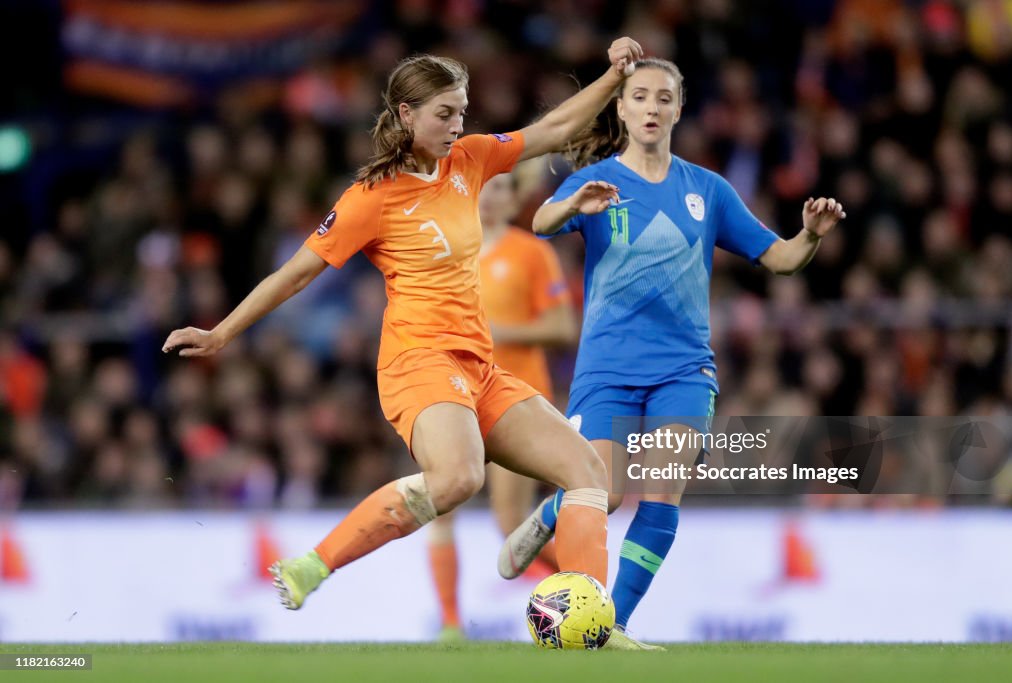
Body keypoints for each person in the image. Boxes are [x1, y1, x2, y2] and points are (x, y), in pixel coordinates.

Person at [163, 38, 654, 649]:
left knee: (589, 475)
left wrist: (613, 77)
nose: (458, 124)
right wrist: (221, 333)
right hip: (417, 360)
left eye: (462, 111)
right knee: (456, 479)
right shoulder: (370, 199)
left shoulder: (470, 160)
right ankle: (314, 563)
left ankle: (595, 627)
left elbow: (554, 128)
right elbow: (295, 273)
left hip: (480, 366)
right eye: (444, 113)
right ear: (405, 115)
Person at [498, 58, 845, 647]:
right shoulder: (599, 180)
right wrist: (573, 205)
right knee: (602, 494)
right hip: (606, 367)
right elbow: (539, 220)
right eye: (640, 97)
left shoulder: (708, 190)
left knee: (660, 494)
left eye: (664, 97)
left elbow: (781, 259)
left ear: (679, 109)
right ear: (622, 109)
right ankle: (554, 511)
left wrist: (809, 234)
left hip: (684, 369)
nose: (653, 107)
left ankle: (615, 624)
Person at [427, 171, 575, 641]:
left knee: (510, 525)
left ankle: (584, 592)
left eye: (500, 189)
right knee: (441, 504)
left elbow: (562, 327)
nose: (488, 197)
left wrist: (496, 334)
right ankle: (450, 625)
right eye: (482, 187)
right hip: (456, 396)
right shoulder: (448, 253)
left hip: (516, 399)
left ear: (515, 201)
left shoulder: (532, 252)